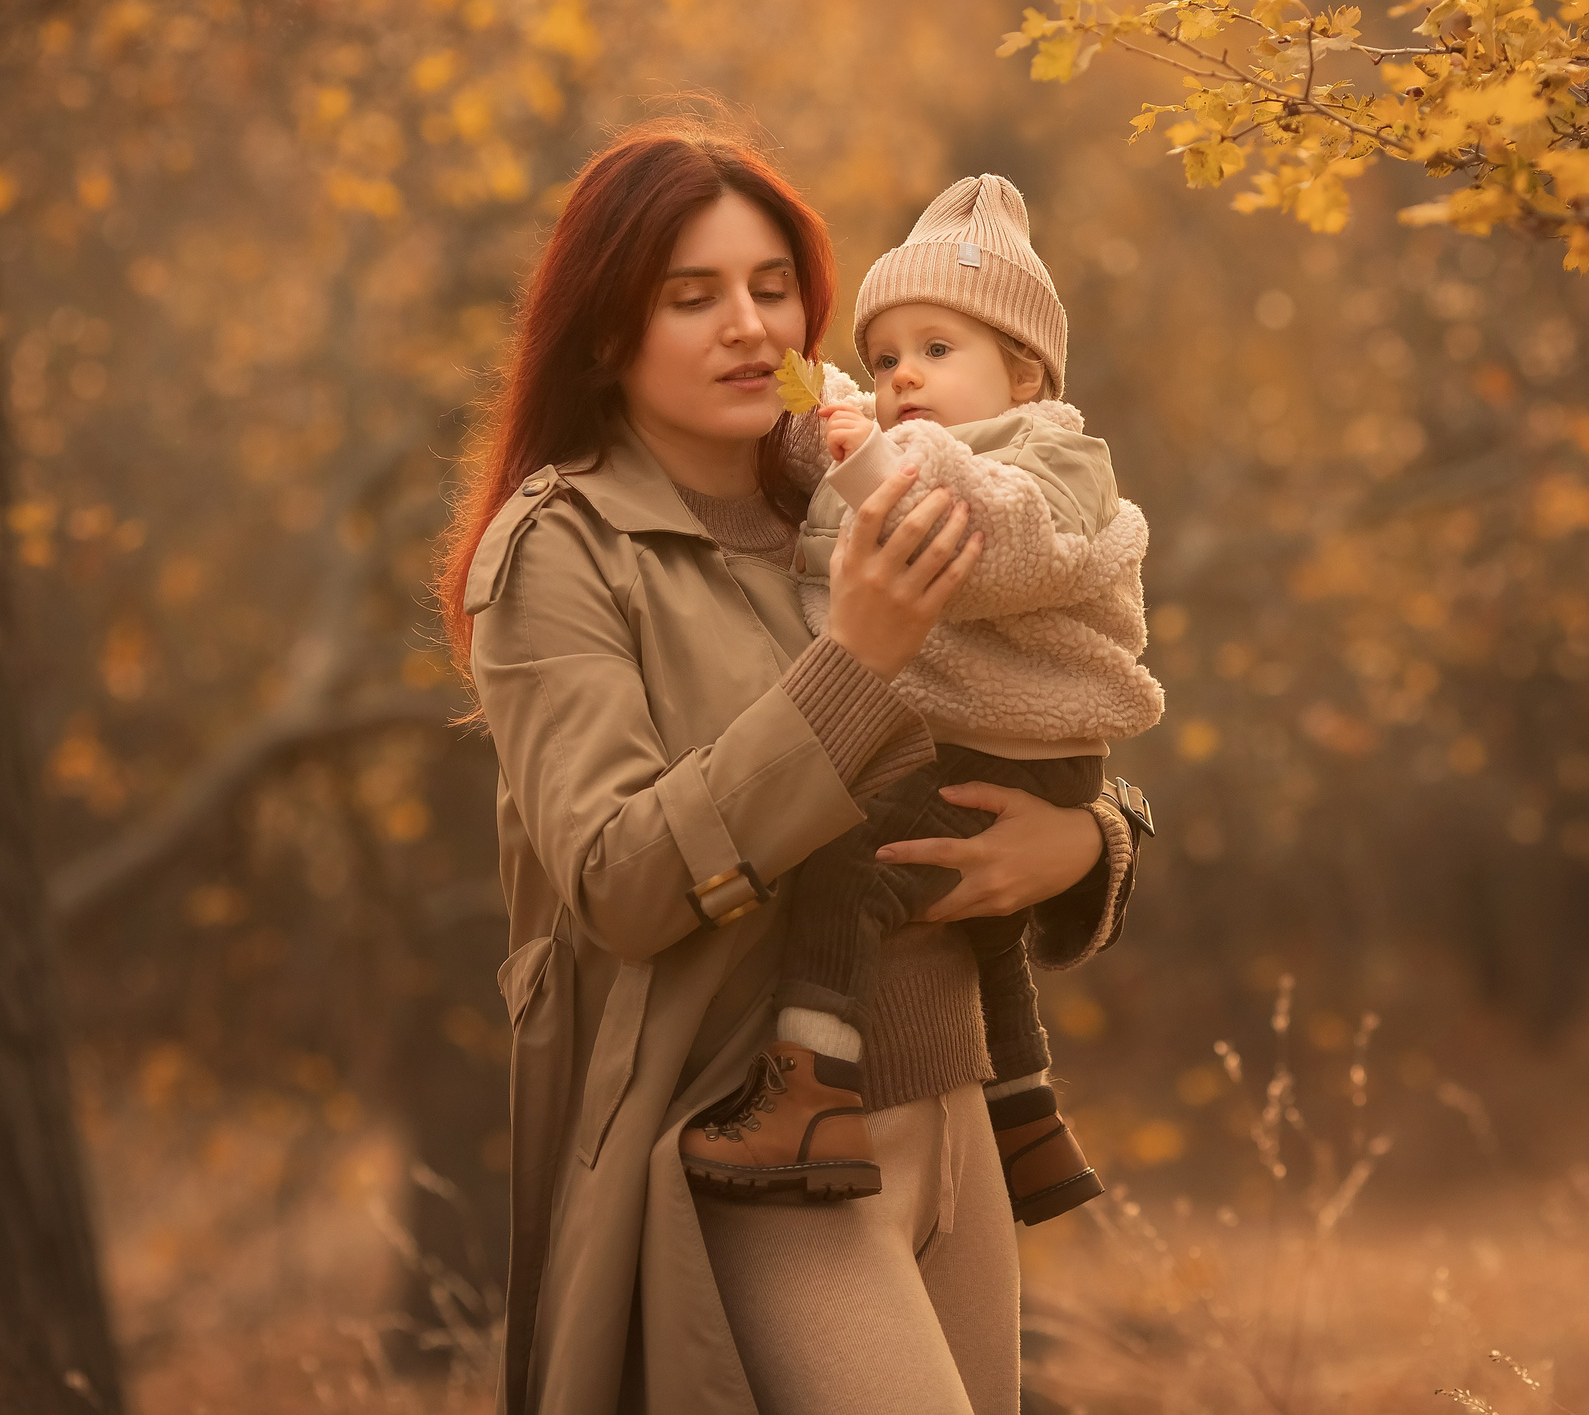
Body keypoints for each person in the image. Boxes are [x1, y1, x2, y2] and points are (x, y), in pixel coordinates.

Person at [437, 121, 1148, 1415]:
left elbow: (1027, 699)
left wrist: (1091, 840)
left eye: (772, 289)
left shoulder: (866, 497)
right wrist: (854, 657)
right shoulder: (558, 553)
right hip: (771, 1146)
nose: (747, 326)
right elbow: (619, 877)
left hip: (955, 1120)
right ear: (608, 327)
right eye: (689, 294)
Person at [676, 176, 1161, 1230]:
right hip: (987, 741)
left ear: (1024, 370)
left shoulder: (1051, 459)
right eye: (888, 357)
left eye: (937, 352)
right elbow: (839, 452)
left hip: (1026, 742)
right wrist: (828, 418)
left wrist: (896, 455)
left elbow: (998, 550)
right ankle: (1027, 1118)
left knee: (851, 862)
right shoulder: (926, 446)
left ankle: (808, 1094)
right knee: (987, 933)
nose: (903, 379)